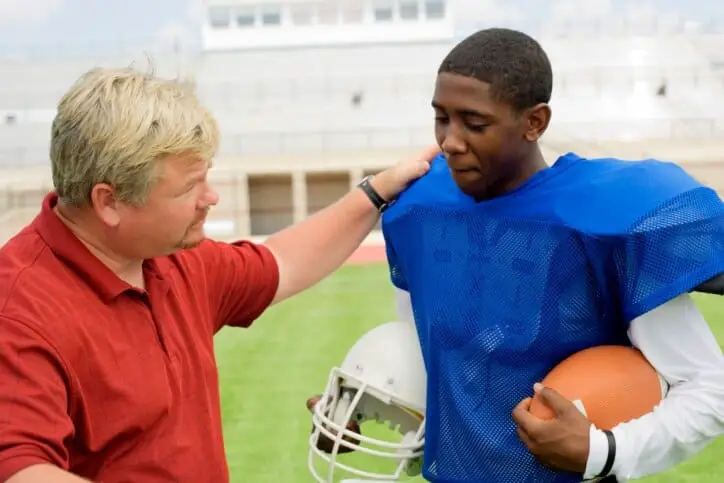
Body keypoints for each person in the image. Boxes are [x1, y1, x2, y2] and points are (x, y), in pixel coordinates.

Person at [307, 28, 724, 483]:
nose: (450, 140)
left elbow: (709, 389)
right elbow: (440, 365)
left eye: (474, 122)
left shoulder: (602, 222)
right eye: (441, 118)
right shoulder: (419, 211)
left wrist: (606, 451)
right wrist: (368, 406)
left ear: (535, 122)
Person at [0, 66, 438, 483]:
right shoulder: (19, 310)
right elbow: (20, 469)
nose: (210, 198)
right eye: (190, 187)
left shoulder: (168, 258)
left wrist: (376, 193)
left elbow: (281, 263)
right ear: (108, 201)